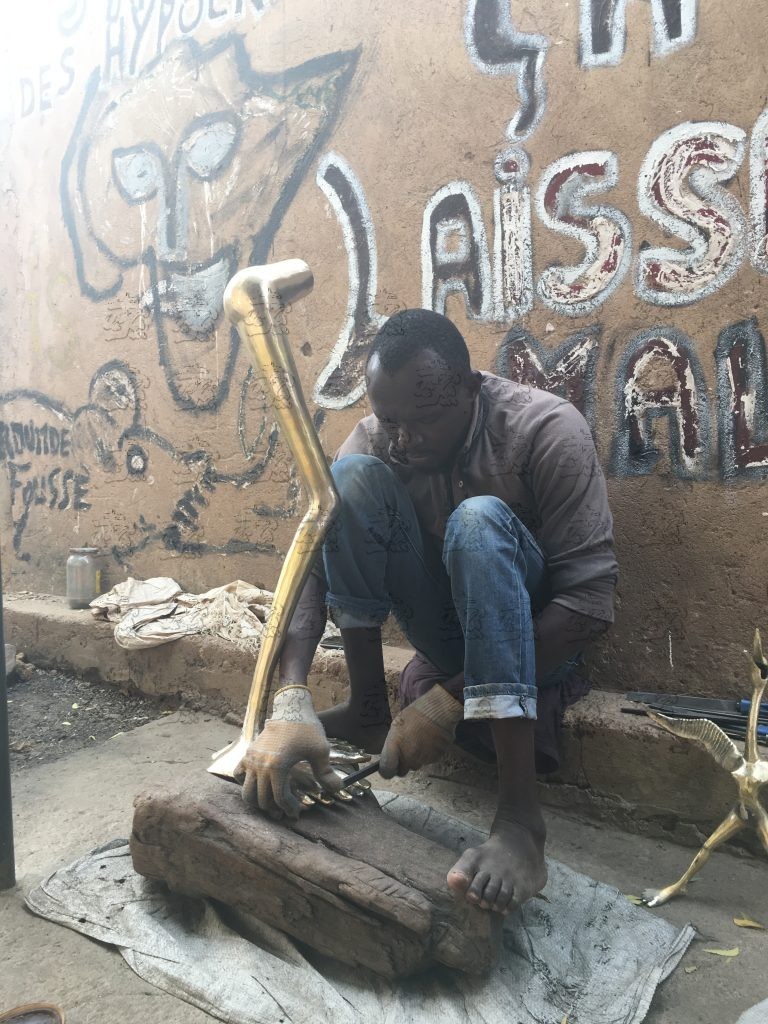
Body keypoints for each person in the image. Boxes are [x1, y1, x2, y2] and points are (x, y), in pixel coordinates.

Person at [237, 308, 618, 917]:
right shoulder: (378, 438)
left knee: (479, 521)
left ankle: (520, 822)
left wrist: (447, 701)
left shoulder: (545, 429)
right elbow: (312, 563)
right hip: (445, 638)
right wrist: (292, 698)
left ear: (470, 389)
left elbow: (587, 607)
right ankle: (367, 708)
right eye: (391, 421)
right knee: (347, 482)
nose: (404, 441)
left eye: (426, 421)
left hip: (537, 646)